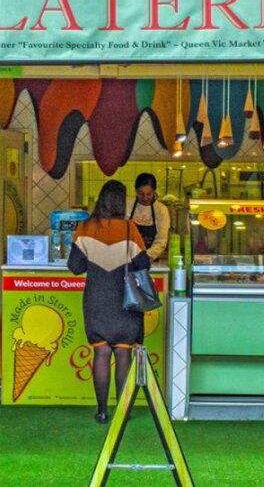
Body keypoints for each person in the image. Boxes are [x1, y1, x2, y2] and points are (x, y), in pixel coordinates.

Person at [68, 180, 150, 424]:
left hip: (96, 299)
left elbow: (75, 267)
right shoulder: (129, 229)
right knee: (123, 354)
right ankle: (122, 412)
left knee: (101, 352)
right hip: (124, 301)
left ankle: (102, 411)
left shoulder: (84, 228)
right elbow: (144, 264)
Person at [127, 173, 170, 261]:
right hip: (129, 259)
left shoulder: (161, 210)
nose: (145, 198)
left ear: (154, 192)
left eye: (149, 194)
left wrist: (145, 257)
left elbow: (161, 241)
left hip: (151, 260)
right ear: (135, 191)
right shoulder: (127, 206)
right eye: (141, 193)